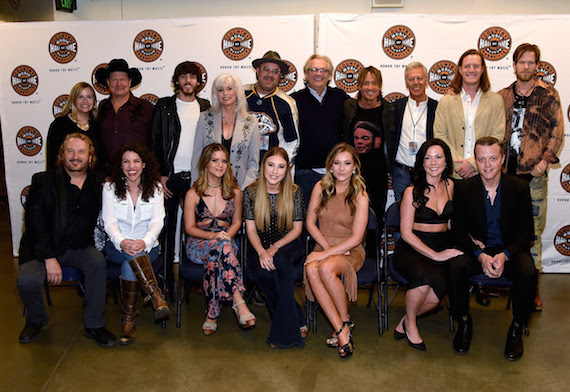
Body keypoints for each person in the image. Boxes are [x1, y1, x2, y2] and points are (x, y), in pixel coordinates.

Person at [17, 133, 116, 348]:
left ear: (90, 157)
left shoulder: (99, 183)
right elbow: (35, 224)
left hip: (79, 247)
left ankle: (94, 325)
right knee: (26, 280)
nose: (75, 156)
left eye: (82, 151)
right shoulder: (43, 181)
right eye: (70, 151)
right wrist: (49, 257)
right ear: (61, 155)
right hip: (43, 248)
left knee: (97, 262)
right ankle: (36, 319)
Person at [452, 137, 538, 361]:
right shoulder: (463, 189)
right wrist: (479, 255)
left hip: (509, 250)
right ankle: (462, 321)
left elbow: (527, 232)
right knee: (455, 267)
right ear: (476, 161)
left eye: (492, 159)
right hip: (477, 249)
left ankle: (517, 327)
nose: (487, 165)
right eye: (481, 159)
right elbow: (458, 232)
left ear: (502, 160)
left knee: (528, 272)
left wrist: (505, 254)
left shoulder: (519, 187)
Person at [497, 43, 564, 309]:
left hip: (534, 174)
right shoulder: (502, 96)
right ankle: (503, 280)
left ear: (537, 65)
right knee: (504, 229)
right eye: (521, 62)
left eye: (531, 62)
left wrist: (543, 164)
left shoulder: (549, 94)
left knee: (532, 233)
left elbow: (558, 131)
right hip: (504, 176)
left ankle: (532, 288)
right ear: (514, 65)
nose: (526, 66)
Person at [393, 139, 469, 351]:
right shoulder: (411, 191)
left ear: (446, 161)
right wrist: (435, 256)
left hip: (441, 245)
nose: (433, 162)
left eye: (438, 157)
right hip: (412, 248)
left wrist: (467, 241)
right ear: (421, 162)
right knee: (423, 279)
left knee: (435, 297)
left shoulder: (451, 186)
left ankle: (405, 321)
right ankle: (412, 326)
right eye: (427, 158)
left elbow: (453, 223)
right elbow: (406, 233)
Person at [151, 61, 211, 298]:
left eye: (193, 77)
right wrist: (160, 174)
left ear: (198, 82)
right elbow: (155, 140)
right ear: (177, 81)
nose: (188, 81)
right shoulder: (164, 106)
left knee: (194, 229)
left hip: (197, 179)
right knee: (166, 230)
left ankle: (191, 279)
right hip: (170, 176)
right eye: (183, 76)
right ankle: (165, 279)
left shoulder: (205, 106)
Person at [304, 143, 369, 358]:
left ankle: (342, 328)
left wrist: (326, 254)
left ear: (354, 168)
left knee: (325, 268)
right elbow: (310, 223)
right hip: (324, 244)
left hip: (350, 250)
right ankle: (343, 328)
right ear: (330, 166)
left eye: (347, 163)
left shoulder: (360, 195)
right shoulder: (320, 187)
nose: (342, 168)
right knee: (312, 269)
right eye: (337, 163)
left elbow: (357, 237)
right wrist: (326, 249)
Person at [102, 143, 169, 345]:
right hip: (116, 247)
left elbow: (158, 221)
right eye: (126, 161)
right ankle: (155, 295)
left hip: (148, 246)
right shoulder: (110, 188)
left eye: (136, 161)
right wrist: (122, 241)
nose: (132, 166)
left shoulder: (156, 188)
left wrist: (144, 241)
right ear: (120, 165)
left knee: (129, 264)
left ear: (144, 164)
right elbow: (109, 222)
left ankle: (128, 320)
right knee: (130, 256)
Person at [185, 143, 255, 335]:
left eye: (224, 161)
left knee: (217, 258)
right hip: (198, 243)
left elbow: (237, 222)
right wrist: (214, 236)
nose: (220, 165)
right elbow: (189, 228)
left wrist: (226, 237)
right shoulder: (193, 194)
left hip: (227, 242)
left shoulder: (235, 192)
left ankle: (212, 313)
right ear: (206, 163)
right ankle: (238, 300)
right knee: (221, 249)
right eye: (215, 160)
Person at [244, 147, 306, 348]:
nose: (274, 171)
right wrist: (262, 251)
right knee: (264, 274)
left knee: (280, 262)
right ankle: (297, 317)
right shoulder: (251, 192)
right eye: (270, 165)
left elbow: (297, 230)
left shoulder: (295, 192)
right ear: (263, 167)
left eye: (281, 167)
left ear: (287, 169)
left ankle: (282, 336)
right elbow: (251, 230)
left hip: (288, 243)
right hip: (259, 245)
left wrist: (274, 248)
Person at [434, 49, 506, 179]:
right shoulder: (446, 101)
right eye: (467, 66)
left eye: (476, 66)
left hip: (484, 173)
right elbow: (440, 136)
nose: (471, 70)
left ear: (483, 70)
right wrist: (457, 166)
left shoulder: (496, 101)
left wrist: (473, 163)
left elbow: (497, 136)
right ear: (460, 70)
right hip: (453, 174)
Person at [292, 54, 349, 208]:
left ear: (329, 75)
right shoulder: (294, 100)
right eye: (314, 70)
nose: (318, 74)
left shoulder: (341, 97)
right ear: (306, 73)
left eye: (323, 70)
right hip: (305, 171)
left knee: (333, 217)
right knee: (305, 217)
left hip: (336, 171)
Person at [191, 74, 260, 189]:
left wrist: (245, 189)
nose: (225, 93)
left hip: (239, 188)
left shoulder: (251, 122)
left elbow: (253, 162)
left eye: (229, 89)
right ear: (216, 94)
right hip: (208, 188)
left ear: (237, 92)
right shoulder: (204, 119)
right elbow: (197, 157)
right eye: (220, 90)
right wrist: (196, 185)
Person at [386, 62, 438, 201]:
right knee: (401, 215)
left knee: (426, 215)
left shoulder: (436, 108)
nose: (416, 83)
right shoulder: (396, 107)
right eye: (411, 79)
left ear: (426, 81)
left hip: (427, 172)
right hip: (401, 173)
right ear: (406, 83)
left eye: (419, 78)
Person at [245, 51, 299, 162]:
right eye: (266, 69)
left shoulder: (286, 103)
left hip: (269, 170)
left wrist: (279, 166)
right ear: (258, 70)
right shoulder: (240, 94)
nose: (270, 75)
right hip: (239, 166)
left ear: (280, 76)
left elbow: (292, 142)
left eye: (275, 71)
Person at [95, 58, 154, 158]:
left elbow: (156, 142)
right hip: (108, 172)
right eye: (114, 80)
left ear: (129, 81)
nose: (119, 84)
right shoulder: (102, 108)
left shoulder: (146, 108)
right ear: (108, 82)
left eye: (122, 79)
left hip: (138, 171)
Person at [46, 82, 106, 171]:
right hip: (64, 181)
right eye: (80, 97)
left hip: (93, 181)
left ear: (94, 101)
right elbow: (52, 159)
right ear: (73, 100)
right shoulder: (59, 125)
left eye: (89, 97)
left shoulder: (97, 124)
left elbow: (102, 158)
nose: (85, 101)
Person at [342, 66, 395, 149]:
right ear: (359, 86)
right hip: (354, 161)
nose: (370, 87)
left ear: (379, 86)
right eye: (366, 83)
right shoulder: (349, 108)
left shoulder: (389, 110)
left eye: (374, 83)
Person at [349, 121, 387, 221]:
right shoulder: (348, 166)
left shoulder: (380, 166)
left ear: (377, 140)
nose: (359, 142)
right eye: (356, 138)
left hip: (378, 177)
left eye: (365, 138)